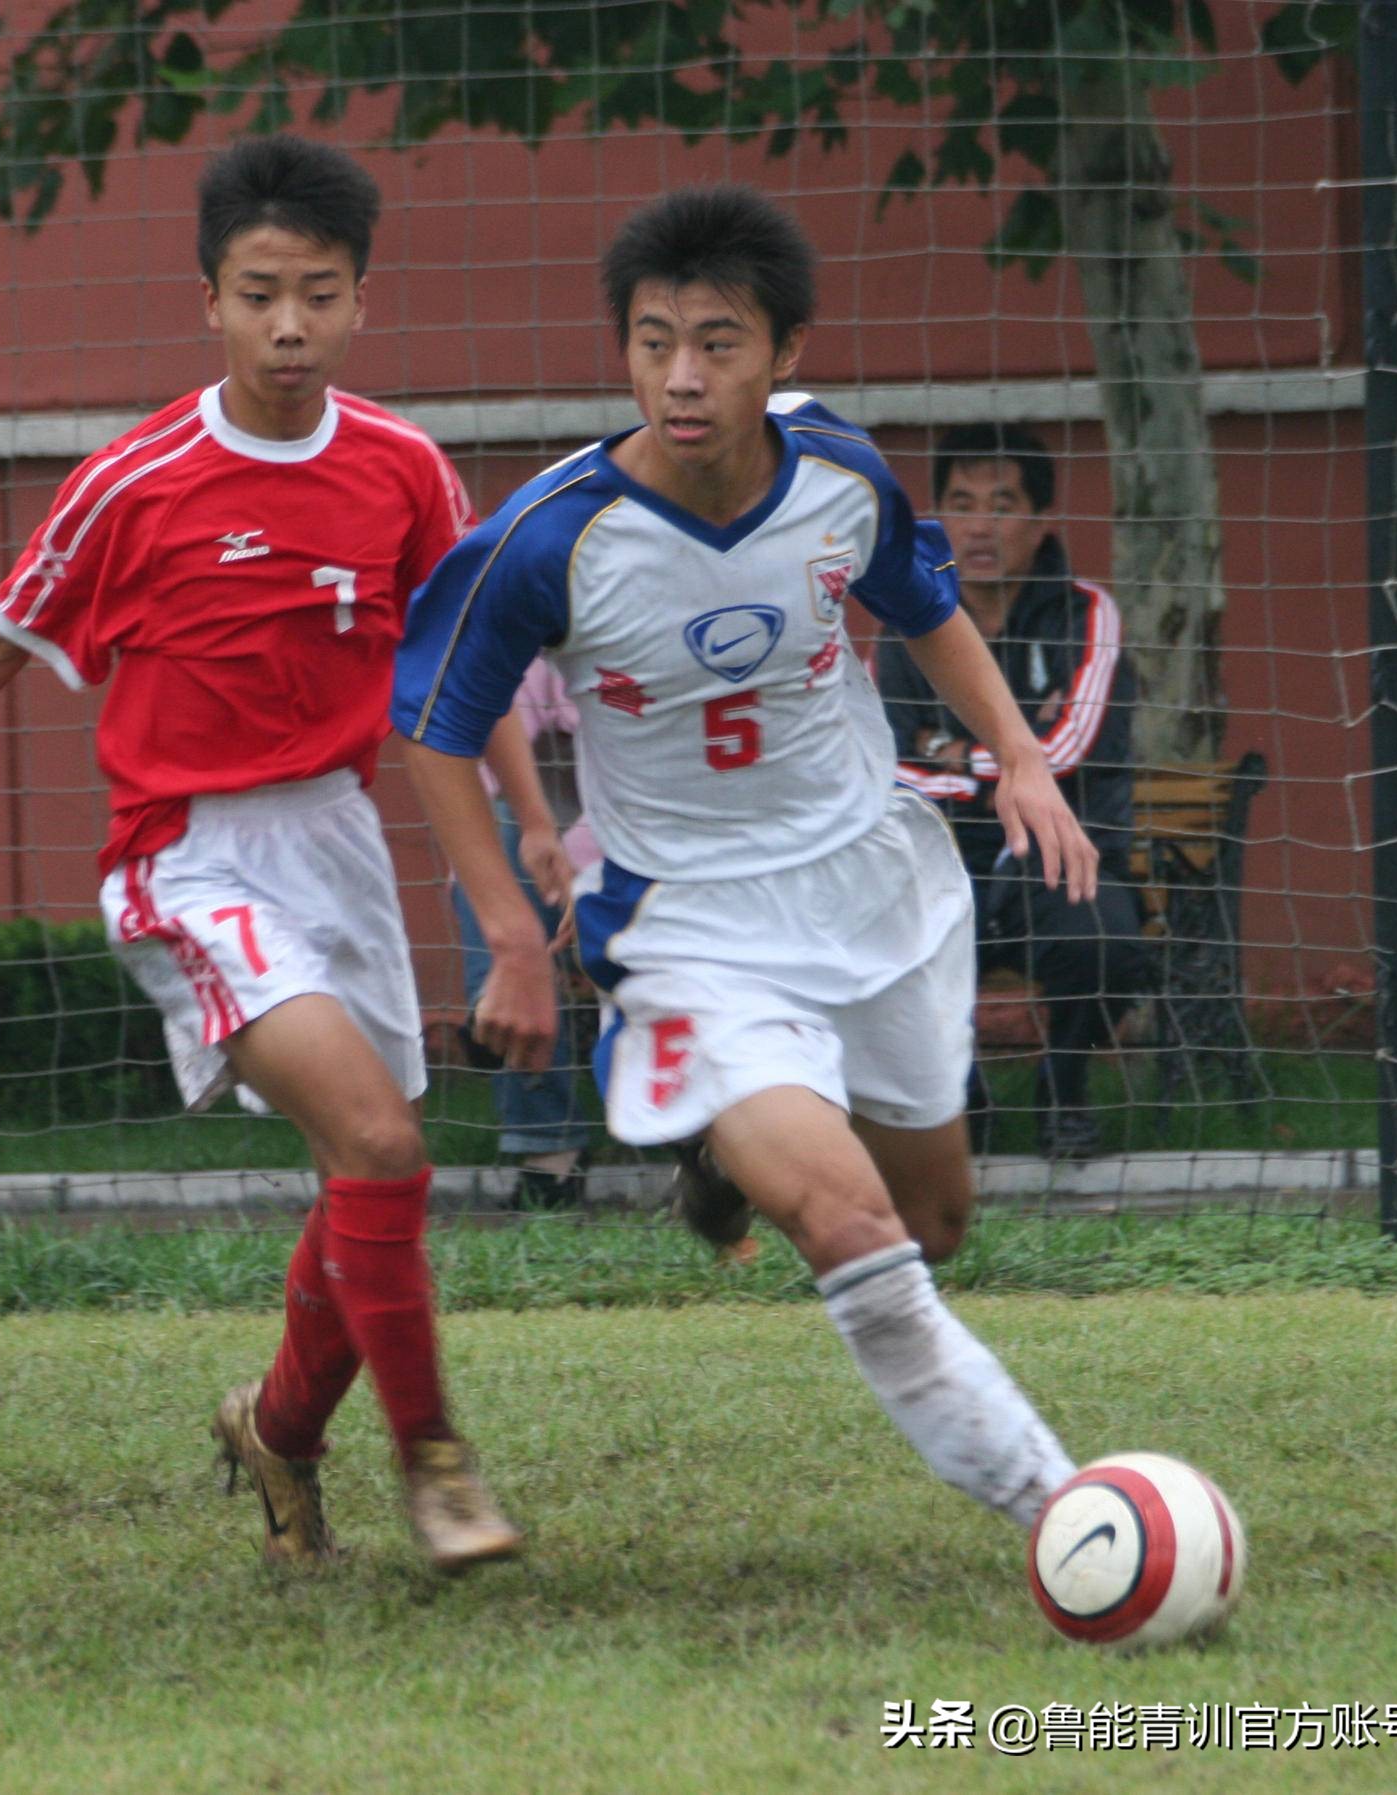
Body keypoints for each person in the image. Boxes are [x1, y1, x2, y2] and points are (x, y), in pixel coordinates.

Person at [0, 136, 558, 1572]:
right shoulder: (139, 478)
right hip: (187, 859)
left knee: (372, 1175)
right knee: (378, 1140)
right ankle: (436, 1461)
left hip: (338, 838)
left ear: (361, 300)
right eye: (259, 294)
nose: (289, 325)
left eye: (318, 294)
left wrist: (530, 820)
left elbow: (460, 662)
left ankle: (279, 1426)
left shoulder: (406, 468)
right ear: (210, 302)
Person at [393, 186, 1093, 1536]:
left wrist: (1016, 751)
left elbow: (928, 602)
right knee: (849, 1225)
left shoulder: (839, 473)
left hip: (868, 882)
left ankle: (717, 1158)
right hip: (690, 928)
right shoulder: (553, 537)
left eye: (717, 342)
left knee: (933, 1221)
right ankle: (1068, 1508)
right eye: (654, 342)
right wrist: (516, 924)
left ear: (785, 353)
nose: (683, 376)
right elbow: (430, 720)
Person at [875, 425, 1151, 1160]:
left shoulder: (1089, 614)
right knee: (884, 927)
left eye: (1003, 504)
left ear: (1039, 521)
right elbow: (886, 764)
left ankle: (1063, 1090)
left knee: (1108, 944)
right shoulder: (906, 620)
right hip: (941, 852)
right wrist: (1007, 750)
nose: (978, 525)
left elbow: (1068, 750)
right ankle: (959, 1095)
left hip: (1064, 849)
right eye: (961, 503)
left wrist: (947, 747)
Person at [450, 659, 600, 1209]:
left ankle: (706, 1141)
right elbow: (481, 783)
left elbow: (650, 786)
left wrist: (586, 877)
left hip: (652, 830)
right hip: (545, 846)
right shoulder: (518, 619)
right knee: (488, 859)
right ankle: (548, 1149)